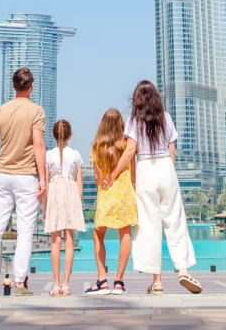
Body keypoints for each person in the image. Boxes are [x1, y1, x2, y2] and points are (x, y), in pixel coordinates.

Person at [104, 80, 201, 295]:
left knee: (150, 225)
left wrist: (113, 175)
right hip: (166, 167)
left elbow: (130, 151)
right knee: (175, 221)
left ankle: (157, 281)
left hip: (146, 169)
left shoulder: (134, 120)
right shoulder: (166, 117)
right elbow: (172, 150)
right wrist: (169, 172)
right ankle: (182, 270)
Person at [0, 67, 47, 297]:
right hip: (27, 177)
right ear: (31, 87)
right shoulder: (36, 111)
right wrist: (43, 178)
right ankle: (19, 284)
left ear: (13, 86)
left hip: (4, 176)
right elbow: (38, 145)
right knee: (25, 231)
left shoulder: (1, 110)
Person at [85, 108, 138, 296]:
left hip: (106, 193)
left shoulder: (97, 146)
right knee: (125, 233)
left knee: (98, 235)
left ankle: (102, 280)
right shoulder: (126, 144)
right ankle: (119, 282)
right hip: (125, 194)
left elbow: (97, 177)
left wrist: (104, 186)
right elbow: (133, 174)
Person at [43, 119, 85, 296]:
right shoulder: (76, 155)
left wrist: (44, 207)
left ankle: (55, 284)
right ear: (70, 136)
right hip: (71, 196)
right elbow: (80, 184)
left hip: (54, 195)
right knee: (69, 241)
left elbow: (45, 184)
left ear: (53, 136)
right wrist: (78, 205)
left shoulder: (48, 155)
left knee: (55, 241)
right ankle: (66, 284)